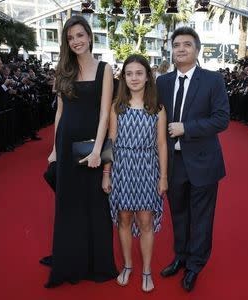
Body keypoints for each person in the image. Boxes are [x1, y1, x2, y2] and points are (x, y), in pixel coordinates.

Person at [44, 15, 117, 288]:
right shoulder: (62, 70)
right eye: (70, 37)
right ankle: (70, 261)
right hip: (66, 145)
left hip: (92, 145)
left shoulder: (105, 69)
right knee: (70, 204)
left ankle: (96, 263)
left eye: (80, 35)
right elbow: (60, 112)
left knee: (95, 204)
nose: (76, 41)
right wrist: (53, 149)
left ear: (89, 36)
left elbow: (104, 115)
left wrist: (98, 150)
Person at [156, 26, 230, 292]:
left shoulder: (213, 80)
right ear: (172, 50)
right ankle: (181, 257)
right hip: (173, 163)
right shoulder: (162, 82)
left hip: (204, 162)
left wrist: (186, 127)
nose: (181, 49)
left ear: (197, 50)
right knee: (178, 214)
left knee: (201, 217)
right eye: (176, 45)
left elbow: (222, 119)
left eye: (187, 44)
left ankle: (195, 266)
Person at [102, 54, 168, 293]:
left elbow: (161, 144)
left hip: (148, 169)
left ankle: (147, 269)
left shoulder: (157, 108)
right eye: (129, 73)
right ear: (123, 78)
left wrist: (163, 177)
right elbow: (111, 141)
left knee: (146, 221)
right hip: (122, 169)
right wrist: (106, 173)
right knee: (124, 220)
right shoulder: (116, 107)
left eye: (139, 73)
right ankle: (128, 265)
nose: (134, 78)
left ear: (148, 76)